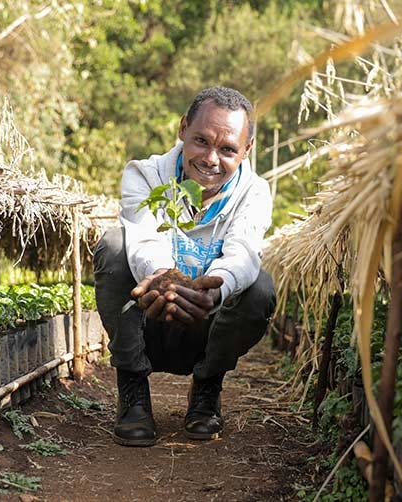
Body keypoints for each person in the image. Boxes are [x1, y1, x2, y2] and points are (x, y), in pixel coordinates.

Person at [94, 86, 276, 447]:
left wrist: (217, 287)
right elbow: (142, 236)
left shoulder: (254, 193)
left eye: (227, 149)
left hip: (205, 323)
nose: (210, 159)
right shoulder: (144, 175)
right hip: (151, 316)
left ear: (247, 150)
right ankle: (132, 388)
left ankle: (207, 386)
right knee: (114, 246)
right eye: (201, 141)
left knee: (260, 287)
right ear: (182, 129)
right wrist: (165, 278)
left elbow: (242, 251)